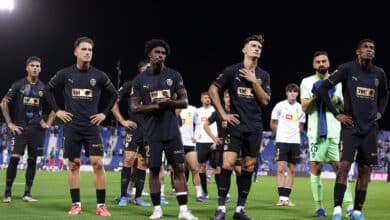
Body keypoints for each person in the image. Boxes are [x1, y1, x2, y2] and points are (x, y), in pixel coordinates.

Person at [44, 37, 118, 217]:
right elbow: (47, 90)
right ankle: (76, 204)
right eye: (84, 49)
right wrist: (58, 111)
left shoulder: (99, 75)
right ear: (75, 52)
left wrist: (104, 114)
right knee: (74, 165)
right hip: (72, 126)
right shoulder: (65, 74)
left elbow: (114, 94)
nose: (87, 52)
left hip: (91, 126)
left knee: (98, 163)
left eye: (90, 50)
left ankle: (101, 206)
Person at [317, 39, 388, 220]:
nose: (369, 50)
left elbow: (385, 94)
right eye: (366, 47)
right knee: (344, 167)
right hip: (350, 128)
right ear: (358, 51)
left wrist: (380, 111)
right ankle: (338, 209)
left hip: (370, 129)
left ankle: (357, 210)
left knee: (365, 170)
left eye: (372, 47)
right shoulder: (347, 69)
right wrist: (336, 114)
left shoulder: (379, 73)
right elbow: (324, 89)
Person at [130, 39, 198, 220]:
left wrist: (169, 103)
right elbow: (134, 107)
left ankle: (183, 210)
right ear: (149, 55)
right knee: (153, 169)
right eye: (157, 52)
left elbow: (184, 101)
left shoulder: (174, 75)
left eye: (163, 53)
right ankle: (157, 209)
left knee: (179, 168)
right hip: (151, 133)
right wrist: (155, 107)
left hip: (172, 132)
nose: (160, 55)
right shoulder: (139, 80)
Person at [208, 34, 271, 220]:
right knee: (227, 164)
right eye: (253, 45)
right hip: (235, 126)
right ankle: (220, 209)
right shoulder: (231, 71)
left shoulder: (263, 75)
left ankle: (239, 210)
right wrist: (222, 114)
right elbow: (213, 89)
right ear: (244, 49)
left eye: (259, 47)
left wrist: (253, 81)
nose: (257, 48)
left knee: (249, 166)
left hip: (255, 127)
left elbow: (265, 101)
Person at [300, 51, 353, 217]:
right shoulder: (307, 82)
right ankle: (319, 206)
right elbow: (304, 108)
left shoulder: (338, 82)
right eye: (318, 62)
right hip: (315, 132)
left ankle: (349, 205)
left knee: (340, 168)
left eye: (324, 61)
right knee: (317, 167)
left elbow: (345, 108)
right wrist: (319, 94)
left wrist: (338, 100)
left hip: (335, 131)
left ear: (329, 63)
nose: (321, 64)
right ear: (314, 65)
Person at [1, 56, 56, 203]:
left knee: (33, 160)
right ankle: (7, 193)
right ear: (27, 68)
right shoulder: (18, 85)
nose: (35, 68)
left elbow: (55, 109)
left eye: (38, 66)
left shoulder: (44, 88)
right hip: (20, 129)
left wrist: (48, 123)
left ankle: (27, 193)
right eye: (32, 65)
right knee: (15, 158)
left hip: (36, 130)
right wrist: (10, 123)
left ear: (40, 69)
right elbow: (3, 103)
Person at [112, 59, 151, 207]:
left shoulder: (154, 86)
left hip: (149, 130)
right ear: (141, 69)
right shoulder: (130, 85)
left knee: (142, 162)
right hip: (133, 129)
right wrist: (122, 121)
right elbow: (113, 102)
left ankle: (139, 197)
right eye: (147, 67)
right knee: (128, 159)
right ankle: (123, 196)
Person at [270, 83, 305, 206]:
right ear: (286, 93)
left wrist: (295, 133)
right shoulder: (280, 106)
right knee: (280, 169)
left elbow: (301, 125)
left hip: (295, 142)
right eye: (290, 91)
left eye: (295, 91)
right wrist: (279, 134)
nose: (292, 93)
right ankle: (281, 198)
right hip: (282, 141)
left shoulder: (301, 108)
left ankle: (286, 197)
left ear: (297, 93)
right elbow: (273, 123)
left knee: (292, 170)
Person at [204, 90, 241, 203]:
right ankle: (224, 195)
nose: (228, 99)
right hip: (222, 147)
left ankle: (241, 196)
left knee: (239, 171)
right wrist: (214, 139)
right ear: (223, 98)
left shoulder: (240, 111)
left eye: (231, 96)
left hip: (236, 146)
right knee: (221, 172)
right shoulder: (219, 112)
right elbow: (205, 125)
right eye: (226, 97)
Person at [177, 105, 208, 202]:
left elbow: (199, 124)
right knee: (179, 170)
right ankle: (181, 192)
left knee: (195, 168)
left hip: (190, 143)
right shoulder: (172, 109)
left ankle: (199, 195)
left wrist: (196, 135)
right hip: (177, 143)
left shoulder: (192, 109)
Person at [194, 92, 217, 198]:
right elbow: (197, 126)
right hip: (201, 142)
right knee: (201, 167)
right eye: (205, 97)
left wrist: (216, 141)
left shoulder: (216, 111)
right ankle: (205, 192)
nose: (207, 99)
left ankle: (224, 193)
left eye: (209, 97)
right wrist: (195, 136)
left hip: (214, 142)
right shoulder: (197, 111)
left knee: (218, 168)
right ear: (201, 99)